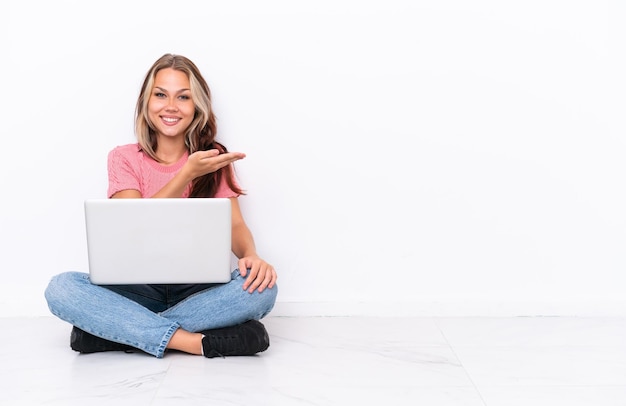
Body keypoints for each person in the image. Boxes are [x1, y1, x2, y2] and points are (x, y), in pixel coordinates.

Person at [44, 53, 278, 359]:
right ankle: (193, 341)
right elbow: (132, 225)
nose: (171, 106)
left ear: (197, 106)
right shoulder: (124, 158)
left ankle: (116, 335)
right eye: (160, 95)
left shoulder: (212, 158)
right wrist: (186, 175)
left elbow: (234, 225)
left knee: (264, 288)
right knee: (61, 288)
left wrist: (252, 256)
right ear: (146, 102)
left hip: (198, 290)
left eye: (183, 97)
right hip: (138, 290)